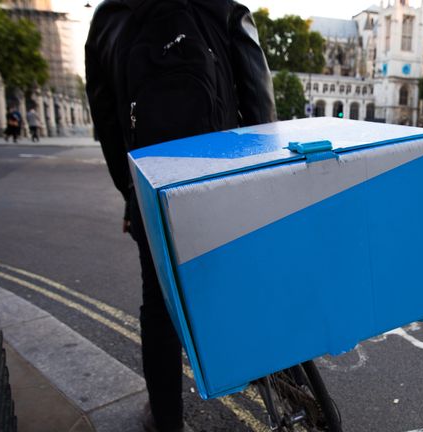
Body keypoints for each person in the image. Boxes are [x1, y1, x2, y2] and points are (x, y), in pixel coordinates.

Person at [85, 1, 276, 431]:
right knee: (237, 280)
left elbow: (109, 124)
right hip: (221, 180)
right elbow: (258, 100)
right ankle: (255, 369)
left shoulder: (107, 20)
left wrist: (132, 198)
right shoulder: (220, 6)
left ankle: (167, 419)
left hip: (154, 186)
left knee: (160, 305)